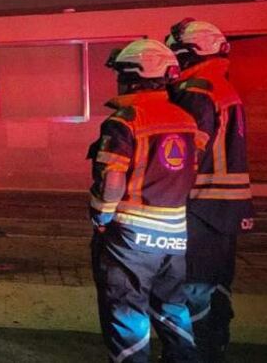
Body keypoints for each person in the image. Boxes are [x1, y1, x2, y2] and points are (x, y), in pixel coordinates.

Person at [87, 39, 207, 363]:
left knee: (126, 312)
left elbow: (112, 180)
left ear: (130, 75)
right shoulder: (185, 120)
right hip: (174, 234)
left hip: (130, 238)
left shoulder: (126, 120)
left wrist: (101, 217)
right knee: (172, 307)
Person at [166, 18, 255, 361]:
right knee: (216, 286)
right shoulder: (222, 86)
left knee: (193, 288)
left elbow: (186, 155)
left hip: (201, 207)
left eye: (179, 54)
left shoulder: (197, 92)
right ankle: (214, 347)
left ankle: (195, 354)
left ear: (191, 54)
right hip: (226, 210)